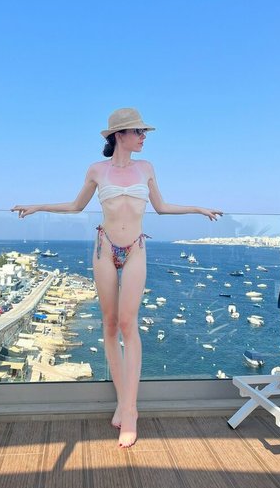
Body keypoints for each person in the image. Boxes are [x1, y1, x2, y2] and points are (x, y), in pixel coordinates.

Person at [12, 108, 222, 448]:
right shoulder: (97, 170)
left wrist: (198, 209)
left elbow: (162, 207)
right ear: (119, 135)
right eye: (138, 131)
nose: (143, 136)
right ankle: (122, 403)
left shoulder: (146, 168)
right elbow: (76, 206)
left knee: (128, 324)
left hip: (136, 249)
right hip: (104, 248)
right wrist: (38, 206)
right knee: (109, 325)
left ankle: (131, 410)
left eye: (143, 131)